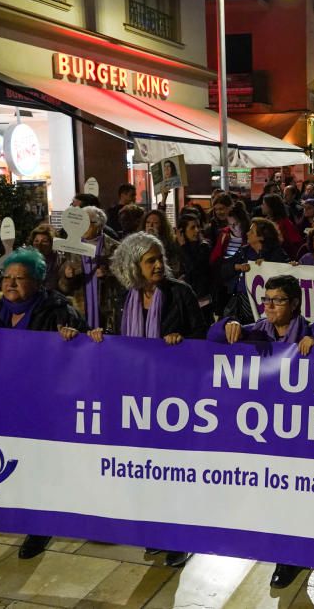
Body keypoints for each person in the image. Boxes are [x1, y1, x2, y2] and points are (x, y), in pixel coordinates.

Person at [0, 247, 86, 559]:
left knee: (41, 463)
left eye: (19, 279)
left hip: (44, 404)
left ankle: (40, 526)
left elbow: (81, 348)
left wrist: (71, 337)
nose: (10, 284)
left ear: (37, 282)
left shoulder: (57, 309)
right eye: (7, 278)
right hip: (7, 402)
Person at [205, 273, 314, 589]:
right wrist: (227, 324)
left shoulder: (312, 330)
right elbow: (213, 337)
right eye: (266, 300)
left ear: (295, 304)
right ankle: (283, 548)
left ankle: (291, 557)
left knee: (297, 494)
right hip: (266, 430)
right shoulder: (257, 330)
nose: (270, 307)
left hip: (302, 432)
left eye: (278, 300)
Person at [106, 232, 207, 568]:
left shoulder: (181, 293)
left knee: (174, 469)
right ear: (134, 266)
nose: (158, 265)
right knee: (147, 469)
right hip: (137, 399)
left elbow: (201, 338)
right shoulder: (126, 298)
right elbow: (116, 340)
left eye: (160, 258)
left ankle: (179, 537)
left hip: (175, 398)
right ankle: (154, 530)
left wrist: (182, 341)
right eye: (150, 261)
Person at [58, 207, 123, 334]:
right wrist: (67, 277)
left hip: (106, 311)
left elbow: (126, 282)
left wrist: (108, 275)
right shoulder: (71, 248)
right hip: (79, 311)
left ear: (99, 225)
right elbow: (63, 287)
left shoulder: (115, 248)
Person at [175, 214, 213, 321]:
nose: (197, 230)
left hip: (201, 297)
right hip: (182, 298)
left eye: (198, 226)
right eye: (192, 227)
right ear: (182, 231)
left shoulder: (204, 246)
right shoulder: (175, 247)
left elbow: (193, 268)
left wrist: (183, 246)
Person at [262, 193, 303, 259]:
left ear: (271, 206)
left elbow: (295, 243)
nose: (262, 206)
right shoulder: (265, 221)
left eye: (264, 204)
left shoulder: (285, 223)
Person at [143, 210, 181, 276]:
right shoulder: (139, 243)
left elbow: (175, 267)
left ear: (162, 226)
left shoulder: (171, 244)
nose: (150, 226)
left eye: (155, 223)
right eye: (148, 222)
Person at [27, 224, 62, 291]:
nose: (39, 244)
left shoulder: (59, 261)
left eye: (44, 241)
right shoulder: (27, 260)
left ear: (52, 243)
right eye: (36, 241)